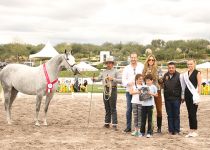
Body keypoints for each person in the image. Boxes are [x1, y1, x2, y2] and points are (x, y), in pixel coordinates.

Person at [93, 56, 121, 131]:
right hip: (105, 89)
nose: (109, 64)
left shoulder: (116, 71)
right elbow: (99, 79)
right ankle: (107, 123)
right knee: (107, 107)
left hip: (113, 89)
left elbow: (120, 80)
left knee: (113, 107)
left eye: (110, 63)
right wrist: (94, 79)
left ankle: (114, 124)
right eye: (107, 63)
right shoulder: (103, 72)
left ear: (112, 64)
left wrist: (113, 79)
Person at [122, 52, 144, 132]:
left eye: (135, 57)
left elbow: (144, 77)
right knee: (129, 109)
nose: (133, 59)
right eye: (132, 57)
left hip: (139, 91)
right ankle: (128, 127)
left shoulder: (141, 66)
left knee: (140, 109)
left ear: (137, 58)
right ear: (130, 58)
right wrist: (129, 83)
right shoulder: (126, 68)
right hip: (129, 91)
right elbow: (123, 80)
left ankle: (140, 127)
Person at [180, 59, 202, 138]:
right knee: (189, 113)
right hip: (187, 95)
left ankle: (195, 130)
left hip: (194, 96)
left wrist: (198, 96)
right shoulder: (186, 74)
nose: (189, 65)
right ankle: (191, 130)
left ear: (194, 64)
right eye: (188, 64)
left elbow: (199, 85)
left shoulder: (197, 72)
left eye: (191, 64)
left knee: (193, 113)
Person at [142, 54, 163, 133]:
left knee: (159, 109)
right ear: (147, 61)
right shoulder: (144, 69)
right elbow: (142, 79)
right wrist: (146, 75)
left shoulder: (158, 69)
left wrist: (154, 76)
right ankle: (150, 127)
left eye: (152, 60)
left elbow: (161, 79)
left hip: (156, 90)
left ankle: (159, 128)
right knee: (147, 109)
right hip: (147, 90)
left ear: (154, 61)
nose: (151, 61)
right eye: (149, 60)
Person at [162, 62, 182, 135]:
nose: (171, 69)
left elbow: (182, 87)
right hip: (167, 99)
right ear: (168, 68)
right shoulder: (165, 75)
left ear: (175, 68)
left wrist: (182, 97)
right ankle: (171, 130)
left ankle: (176, 130)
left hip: (176, 99)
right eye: (169, 68)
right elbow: (162, 85)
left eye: (172, 68)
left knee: (176, 115)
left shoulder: (179, 75)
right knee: (169, 115)